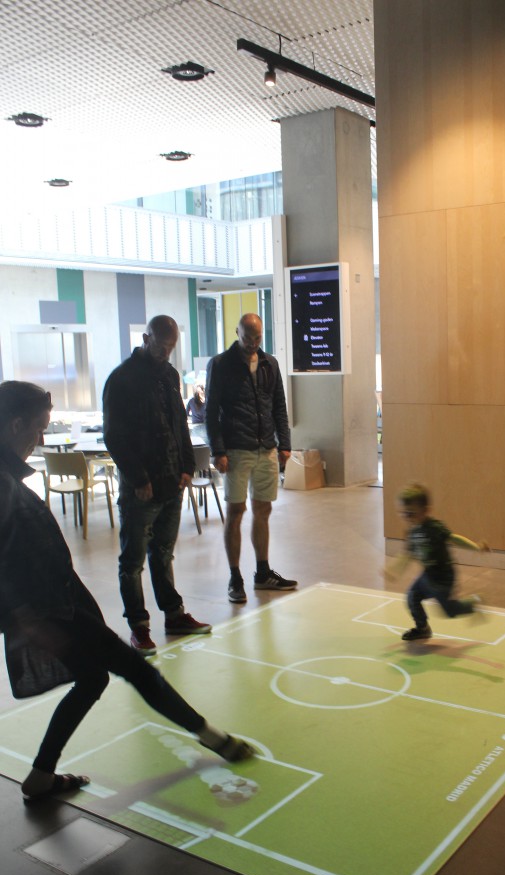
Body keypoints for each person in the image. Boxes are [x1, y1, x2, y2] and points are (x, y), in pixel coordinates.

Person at [0, 381, 254, 803]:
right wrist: (24, 618)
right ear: (14, 424)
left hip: (56, 607)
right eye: (38, 430)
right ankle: (214, 738)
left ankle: (42, 775)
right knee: (137, 671)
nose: (41, 441)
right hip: (49, 613)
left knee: (93, 677)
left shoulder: (8, 476)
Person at [103, 314, 210, 655]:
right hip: (141, 488)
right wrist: (138, 478)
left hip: (171, 483)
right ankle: (139, 626)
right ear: (146, 338)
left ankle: (174, 615)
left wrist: (186, 468)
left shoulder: (169, 376)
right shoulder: (121, 380)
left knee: (163, 553)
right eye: (161, 346)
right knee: (132, 561)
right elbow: (115, 437)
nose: (166, 352)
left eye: (171, 347)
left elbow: (179, 422)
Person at [205, 312, 297, 604]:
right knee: (235, 513)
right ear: (237, 333)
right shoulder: (220, 364)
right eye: (248, 338)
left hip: (267, 448)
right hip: (235, 450)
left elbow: (279, 405)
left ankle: (262, 572)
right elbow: (211, 411)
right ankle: (235, 577)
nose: (253, 344)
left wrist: (285, 444)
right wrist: (218, 450)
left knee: (263, 510)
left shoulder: (270, 363)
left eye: (257, 338)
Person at [388, 482, 489, 641]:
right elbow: (407, 554)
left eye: (412, 513)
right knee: (412, 598)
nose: (408, 517)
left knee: (450, 611)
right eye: (404, 513)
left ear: (426, 510)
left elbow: (454, 538)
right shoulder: (412, 531)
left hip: (443, 577)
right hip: (427, 575)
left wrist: (476, 547)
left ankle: (472, 604)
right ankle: (422, 628)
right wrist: (395, 570)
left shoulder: (434, 528)